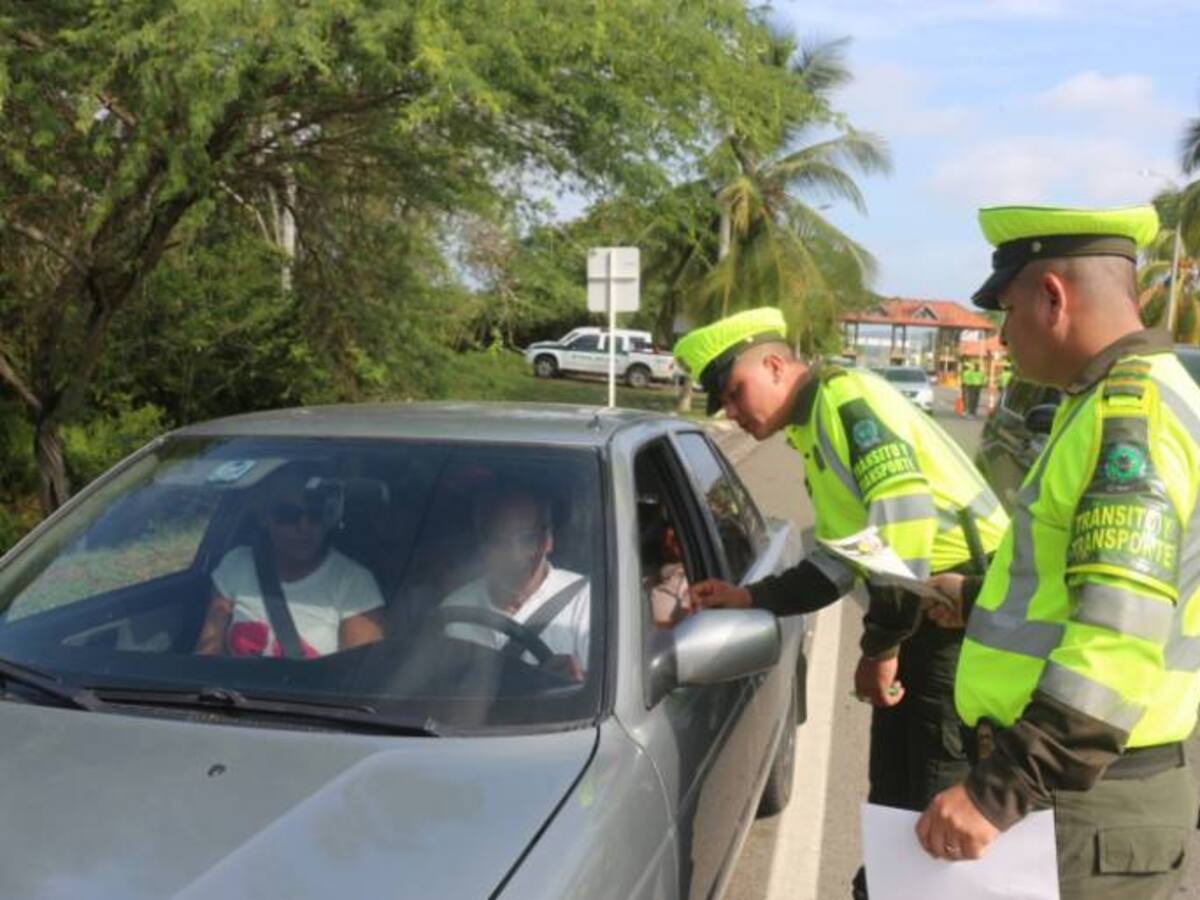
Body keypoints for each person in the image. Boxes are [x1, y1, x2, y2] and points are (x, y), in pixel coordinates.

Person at [673, 307, 1009, 899]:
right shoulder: (814, 429)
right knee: (897, 797)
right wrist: (751, 596)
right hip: (922, 617)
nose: (731, 410)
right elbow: (842, 558)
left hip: (960, 619)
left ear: (776, 366)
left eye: (735, 391)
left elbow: (903, 519)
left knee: (936, 803)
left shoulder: (845, 401)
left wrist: (882, 645)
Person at [914, 204, 1200, 900]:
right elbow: (1098, 588)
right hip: (1091, 797)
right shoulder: (1114, 400)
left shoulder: (1126, 418)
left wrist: (998, 792)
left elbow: (1117, 638)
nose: (1002, 335)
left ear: (1052, 297)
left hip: (1085, 808)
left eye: (1006, 312)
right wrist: (975, 599)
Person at [195, 466, 385, 658]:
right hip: (232, 688)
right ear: (264, 518)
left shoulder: (352, 582)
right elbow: (207, 653)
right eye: (288, 515)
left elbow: (355, 677)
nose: (304, 527)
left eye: (315, 514)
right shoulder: (236, 564)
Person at [439, 483, 590, 679]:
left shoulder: (585, 603)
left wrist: (576, 683)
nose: (514, 555)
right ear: (482, 546)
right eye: (499, 540)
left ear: (548, 540)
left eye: (528, 539)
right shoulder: (454, 611)